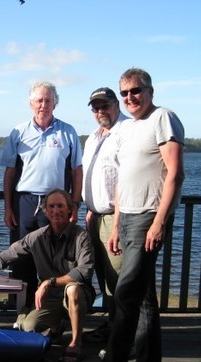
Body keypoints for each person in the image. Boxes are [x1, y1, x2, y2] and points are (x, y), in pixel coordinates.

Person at [78, 68, 185, 362]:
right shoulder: (126, 131)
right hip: (128, 218)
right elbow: (123, 182)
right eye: (125, 93)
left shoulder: (163, 118)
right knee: (143, 296)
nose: (130, 98)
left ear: (150, 90)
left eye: (135, 91)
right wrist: (117, 225)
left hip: (148, 218)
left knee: (124, 295)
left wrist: (159, 222)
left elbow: (175, 174)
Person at [1, 81, 83, 311]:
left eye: (48, 100)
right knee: (21, 258)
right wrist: (8, 206)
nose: (43, 105)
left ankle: (51, 313)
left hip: (55, 204)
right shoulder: (19, 132)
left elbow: (77, 171)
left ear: (55, 103)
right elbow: (10, 171)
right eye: (39, 100)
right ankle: (22, 311)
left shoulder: (68, 132)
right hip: (24, 202)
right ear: (31, 103)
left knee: (54, 259)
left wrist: (74, 204)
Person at [0, 188, 95, 362]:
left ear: (69, 210)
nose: (56, 210)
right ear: (46, 211)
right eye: (52, 206)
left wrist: (50, 282)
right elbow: (7, 255)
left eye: (60, 206)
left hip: (78, 294)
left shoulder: (81, 236)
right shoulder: (36, 237)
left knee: (72, 289)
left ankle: (75, 342)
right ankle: (54, 325)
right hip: (50, 297)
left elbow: (85, 271)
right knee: (29, 327)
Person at [81, 87, 128, 343]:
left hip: (114, 218)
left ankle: (124, 337)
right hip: (95, 217)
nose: (100, 111)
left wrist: (118, 225)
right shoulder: (94, 137)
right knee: (104, 276)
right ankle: (112, 326)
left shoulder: (125, 133)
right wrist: (89, 209)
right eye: (96, 107)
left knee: (119, 279)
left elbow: (126, 181)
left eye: (105, 105)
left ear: (116, 105)